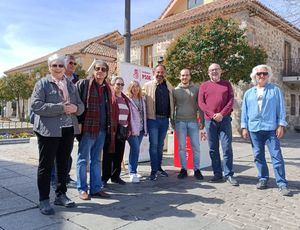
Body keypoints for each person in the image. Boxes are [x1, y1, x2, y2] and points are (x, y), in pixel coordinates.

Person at [31, 53, 84, 215]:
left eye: (61, 65)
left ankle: (61, 195)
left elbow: (81, 106)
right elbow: (36, 105)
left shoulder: (70, 85)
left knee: (63, 164)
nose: (58, 68)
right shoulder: (42, 84)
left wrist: (76, 108)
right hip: (49, 131)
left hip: (68, 130)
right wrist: (62, 108)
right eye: (54, 65)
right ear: (49, 67)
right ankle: (44, 199)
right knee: (46, 166)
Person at [241, 64, 292, 196]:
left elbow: (281, 109)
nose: (262, 76)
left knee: (276, 156)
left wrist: (281, 125)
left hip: (271, 129)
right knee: (258, 155)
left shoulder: (275, 90)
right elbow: (244, 112)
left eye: (264, 73)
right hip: (254, 129)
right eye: (259, 74)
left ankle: (282, 183)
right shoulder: (248, 93)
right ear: (254, 76)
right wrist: (244, 127)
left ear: (268, 76)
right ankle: (263, 178)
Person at [76, 60, 115, 200]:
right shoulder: (84, 84)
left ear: (106, 72)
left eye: (103, 69)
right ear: (93, 70)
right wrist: (79, 123)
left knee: (97, 160)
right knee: (82, 159)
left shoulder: (107, 88)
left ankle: (96, 188)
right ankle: (82, 189)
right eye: (97, 68)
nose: (100, 71)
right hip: (88, 128)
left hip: (102, 129)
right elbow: (77, 105)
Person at [198, 63, 238, 186]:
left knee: (226, 147)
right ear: (208, 72)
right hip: (210, 121)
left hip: (224, 120)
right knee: (213, 149)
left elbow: (231, 101)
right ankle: (217, 174)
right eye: (211, 70)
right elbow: (201, 103)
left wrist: (222, 114)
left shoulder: (227, 84)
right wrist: (212, 114)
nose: (214, 72)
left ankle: (229, 174)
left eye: (216, 69)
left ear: (221, 71)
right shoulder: (204, 86)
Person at [51, 54, 79, 188]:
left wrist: (77, 110)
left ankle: (64, 177)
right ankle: (54, 179)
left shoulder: (76, 81)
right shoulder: (50, 80)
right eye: (70, 63)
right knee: (54, 154)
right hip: (55, 122)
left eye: (74, 64)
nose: (72, 66)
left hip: (71, 122)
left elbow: (80, 103)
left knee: (66, 153)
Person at [143, 64, 174, 181]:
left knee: (160, 146)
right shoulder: (147, 86)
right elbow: (137, 97)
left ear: (164, 73)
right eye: (158, 72)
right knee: (154, 145)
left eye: (162, 72)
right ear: (153, 72)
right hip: (153, 120)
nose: (160, 74)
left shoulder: (169, 86)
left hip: (165, 120)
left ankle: (159, 167)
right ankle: (153, 170)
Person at [173, 68, 204, 180]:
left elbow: (200, 106)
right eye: (182, 75)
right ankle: (183, 169)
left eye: (186, 75)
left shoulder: (196, 89)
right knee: (181, 147)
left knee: (196, 147)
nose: (184, 77)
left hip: (193, 122)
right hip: (180, 122)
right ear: (180, 77)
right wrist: (172, 121)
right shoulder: (175, 90)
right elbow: (173, 107)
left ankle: (197, 170)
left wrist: (202, 120)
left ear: (190, 76)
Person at [102, 77, 131, 185]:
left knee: (119, 154)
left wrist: (129, 128)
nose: (120, 86)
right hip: (113, 129)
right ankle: (104, 178)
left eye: (122, 84)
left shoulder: (125, 98)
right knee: (108, 154)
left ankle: (115, 176)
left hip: (123, 129)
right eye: (118, 84)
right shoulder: (110, 97)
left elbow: (128, 115)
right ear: (113, 85)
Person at [126, 80, 147, 183]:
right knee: (135, 149)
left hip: (141, 129)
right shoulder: (128, 99)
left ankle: (132, 170)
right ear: (130, 88)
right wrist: (129, 128)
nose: (135, 88)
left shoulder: (142, 99)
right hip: (132, 129)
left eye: (137, 86)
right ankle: (132, 172)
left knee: (135, 150)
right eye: (133, 87)